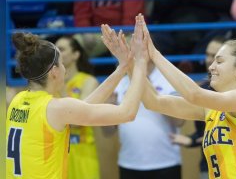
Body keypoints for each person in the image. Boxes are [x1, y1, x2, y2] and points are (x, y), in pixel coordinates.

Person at [123, 15, 236, 178]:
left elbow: (193, 94)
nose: (211, 66)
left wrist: (154, 54)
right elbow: (153, 102)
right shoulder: (211, 108)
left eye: (219, 61)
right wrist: (131, 62)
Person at [6, 16, 149, 179]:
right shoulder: (56, 108)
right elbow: (127, 113)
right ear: (54, 71)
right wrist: (140, 64)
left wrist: (123, 67)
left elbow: (81, 108)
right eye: (61, 64)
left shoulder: (18, 100)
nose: (65, 70)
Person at [103, 60, 184, 179]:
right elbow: (107, 132)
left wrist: (154, 94)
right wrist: (108, 110)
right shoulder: (120, 83)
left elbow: (180, 122)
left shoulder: (168, 79)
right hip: (129, 163)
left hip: (166, 162)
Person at [169, 36, 225, 179]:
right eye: (207, 55)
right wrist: (191, 140)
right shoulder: (203, 90)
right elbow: (202, 131)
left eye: (215, 57)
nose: (208, 60)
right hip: (209, 166)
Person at [55, 36, 100, 179]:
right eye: (54, 49)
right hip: (55, 153)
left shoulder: (88, 81)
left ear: (76, 55)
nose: (56, 53)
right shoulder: (49, 83)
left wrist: (59, 87)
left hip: (82, 151)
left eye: (61, 49)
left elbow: (78, 120)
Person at [73, 0, 145, 57]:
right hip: (97, 33)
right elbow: (81, 13)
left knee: (133, 45)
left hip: (124, 33)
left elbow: (132, 12)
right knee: (74, 44)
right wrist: (86, 31)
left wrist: (121, 33)